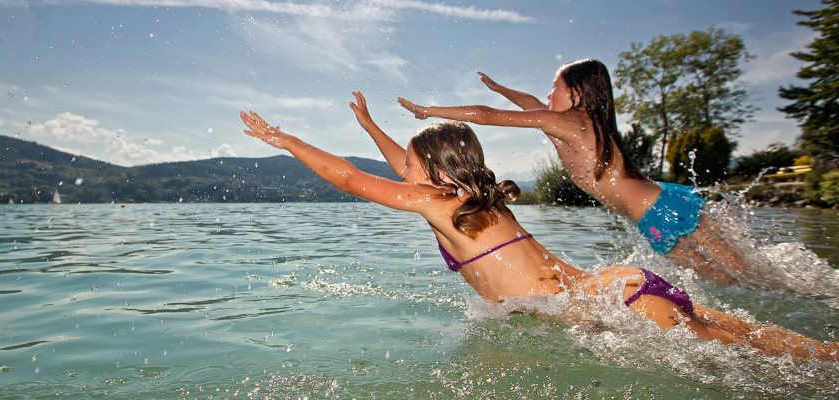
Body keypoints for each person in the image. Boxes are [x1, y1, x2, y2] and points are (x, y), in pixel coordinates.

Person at [239, 91, 839, 361]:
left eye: (411, 165)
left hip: (613, 307)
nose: (404, 172)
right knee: (764, 341)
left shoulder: (440, 206)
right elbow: (399, 162)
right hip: (621, 288)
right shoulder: (479, 199)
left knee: (752, 364)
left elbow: (348, 178)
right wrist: (370, 122)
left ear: (430, 174)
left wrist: (281, 137)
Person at [397, 59, 749, 287]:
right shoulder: (579, 124)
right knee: (739, 278)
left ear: (575, 93)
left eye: (556, 87)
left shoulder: (572, 122)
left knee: (734, 280)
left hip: (660, 212)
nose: (549, 95)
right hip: (658, 207)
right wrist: (502, 88)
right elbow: (529, 103)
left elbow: (490, 115)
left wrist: (428, 111)